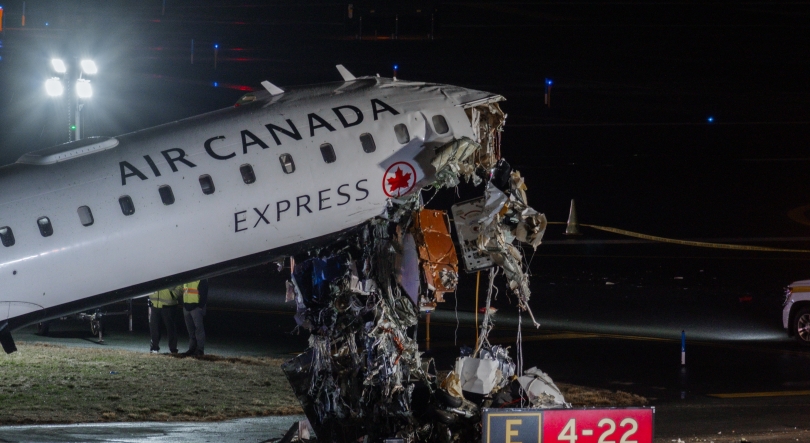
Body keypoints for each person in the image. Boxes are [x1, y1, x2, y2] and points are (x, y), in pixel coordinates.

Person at [148, 285, 181, 354]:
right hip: (155, 304)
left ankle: (173, 349)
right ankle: (154, 347)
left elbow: (180, 284)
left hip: (169, 305)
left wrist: (173, 295)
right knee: (154, 327)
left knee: (171, 328)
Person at [182, 279, 208, 356]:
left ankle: (200, 350)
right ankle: (192, 349)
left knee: (198, 330)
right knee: (191, 331)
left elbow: (204, 294)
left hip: (196, 308)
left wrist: (200, 306)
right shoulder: (187, 279)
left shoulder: (201, 279)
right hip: (187, 307)